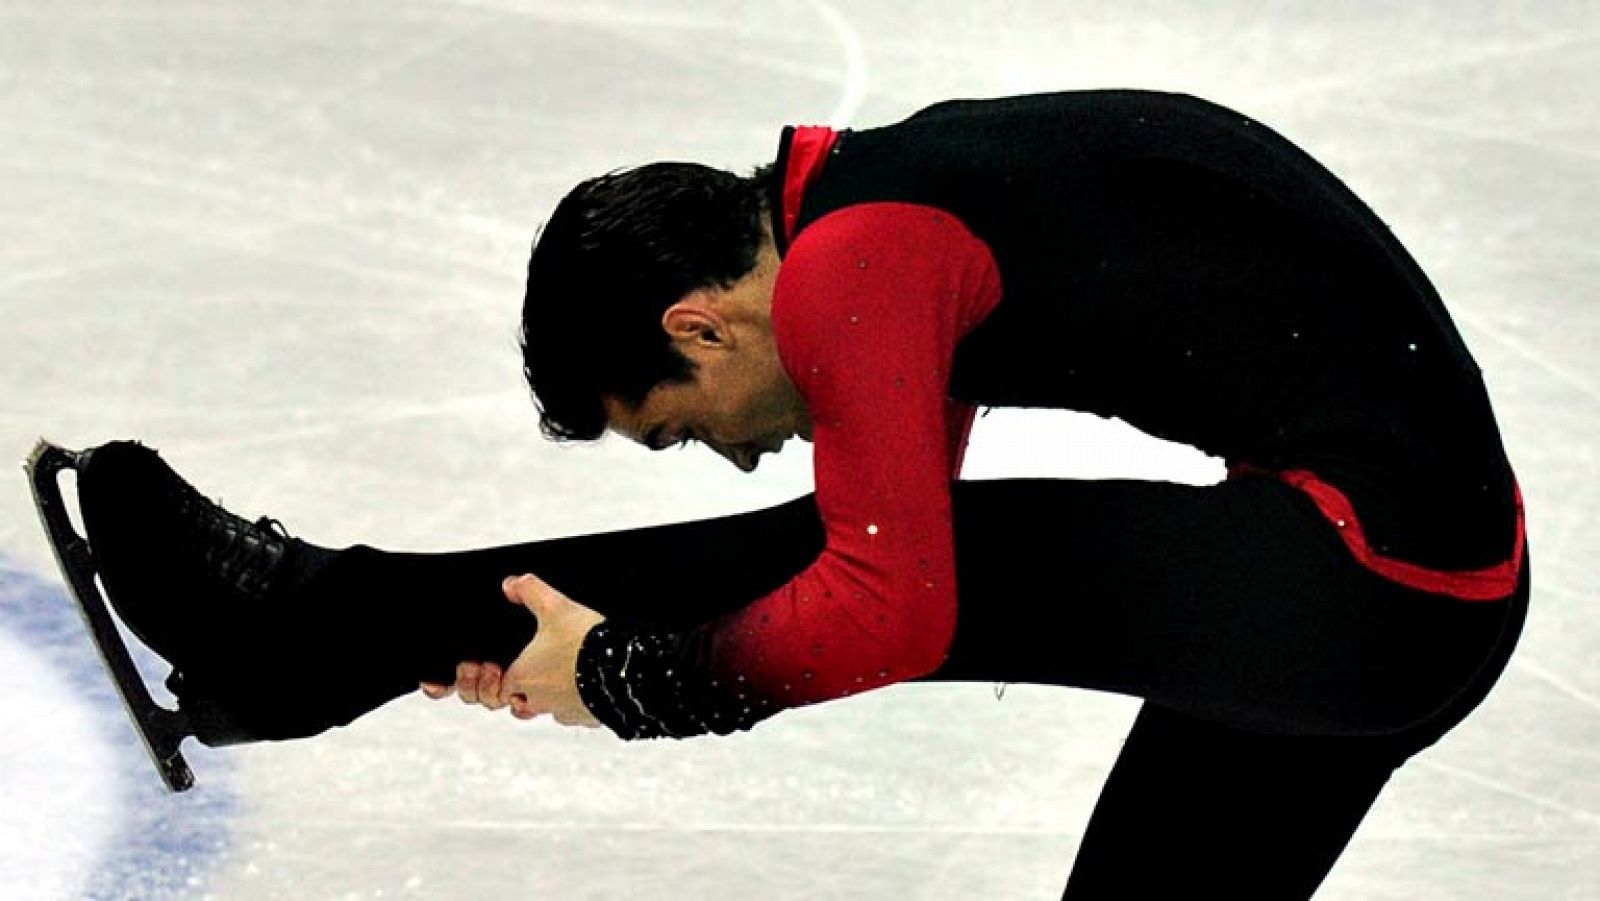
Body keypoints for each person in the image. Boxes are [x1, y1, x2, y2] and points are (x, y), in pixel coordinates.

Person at [71, 89, 1528, 898]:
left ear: (693, 325)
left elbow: (893, 607)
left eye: (679, 423)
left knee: (895, 564)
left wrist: (638, 679)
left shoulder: (861, 264)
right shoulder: (896, 199)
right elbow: (852, 553)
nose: (734, 444)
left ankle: (308, 625)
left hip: (1363, 594)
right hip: (1426, 605)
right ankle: (317, 628)